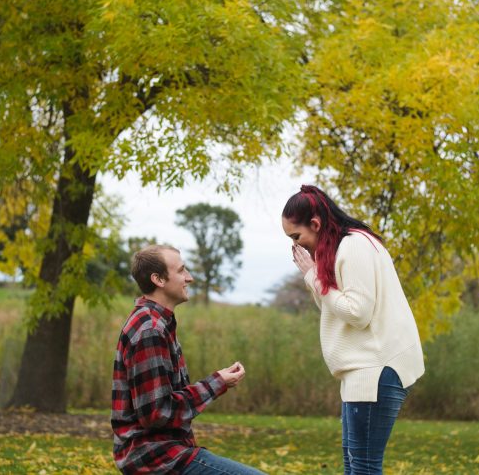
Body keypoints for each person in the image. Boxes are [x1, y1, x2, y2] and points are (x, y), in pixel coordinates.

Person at [282, 185, 424, 475]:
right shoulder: (341, 249)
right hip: (361, 370)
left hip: (375, 368)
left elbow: (357, 313)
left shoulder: (354, 245)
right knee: (355, 466)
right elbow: (336, 309)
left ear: (316, 224)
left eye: (297, 237)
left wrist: (312, 275)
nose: (298, 246)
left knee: (363, 468)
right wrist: (318, 274)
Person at [111, 244, 265, 475]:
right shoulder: (150, 329)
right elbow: (156, 413)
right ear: (158, 279)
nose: (189, 278)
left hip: (168, 452)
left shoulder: (157, 323)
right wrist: (217, 383)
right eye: (181, 271)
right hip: (156, 458)